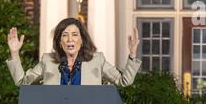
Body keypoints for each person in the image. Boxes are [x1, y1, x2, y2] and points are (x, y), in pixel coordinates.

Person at [7, 17, 141, 86]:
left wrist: (132, 54)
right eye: (65, 35)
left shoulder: (97, 60)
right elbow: (22, 82)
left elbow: (124, 81)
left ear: (82, 40)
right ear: (60, 41)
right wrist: (14, 53)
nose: (70, 39)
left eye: (75, 35)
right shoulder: (48, 61)